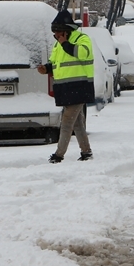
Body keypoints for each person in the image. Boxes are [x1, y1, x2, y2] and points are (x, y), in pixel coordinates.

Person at [37, 10, 94, 163]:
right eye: (54, 33)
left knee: (67, 121)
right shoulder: (59, 44)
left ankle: (59, 154)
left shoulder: (82, 39)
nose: (56, 35)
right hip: (66, 90)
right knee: (77, 123)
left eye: (58, 32)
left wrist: (65, 44)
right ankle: (86, 152)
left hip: (80, 87)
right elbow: (56, 64)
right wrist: (47, 68)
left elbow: (83, 54)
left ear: (67, 30)